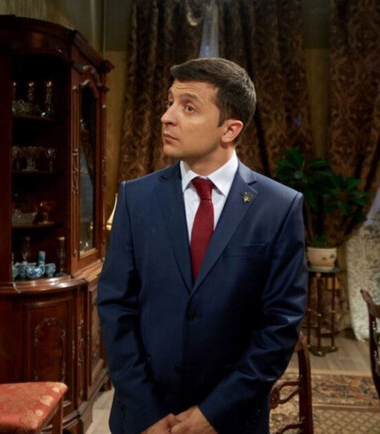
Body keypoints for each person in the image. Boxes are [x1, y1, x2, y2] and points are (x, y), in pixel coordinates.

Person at [98, 57, 308, 434]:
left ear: (230, 129)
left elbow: (280, 323)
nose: (167, 117)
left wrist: (215, 413)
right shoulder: (134, 198)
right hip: (143, 419)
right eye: (170, 103)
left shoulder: (280, 207)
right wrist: (145, 411)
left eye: (188, 107)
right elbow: (116, 306)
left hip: (233, 420)